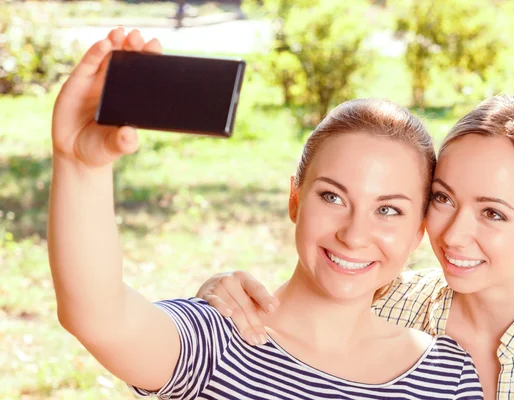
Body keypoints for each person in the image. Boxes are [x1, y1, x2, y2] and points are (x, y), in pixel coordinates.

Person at [47, 27, 484, 399]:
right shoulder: (218, 340)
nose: (354, 235)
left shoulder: (450, 376)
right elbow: (97, 314)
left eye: (388, 209)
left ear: (418, 232)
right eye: (332, 197)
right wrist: (79, 165)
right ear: (295, 199)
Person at [194, 95, 514, 399]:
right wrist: (225, 300)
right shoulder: (385, 299)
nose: (454, 234)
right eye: (444, 198)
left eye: (492, 213)